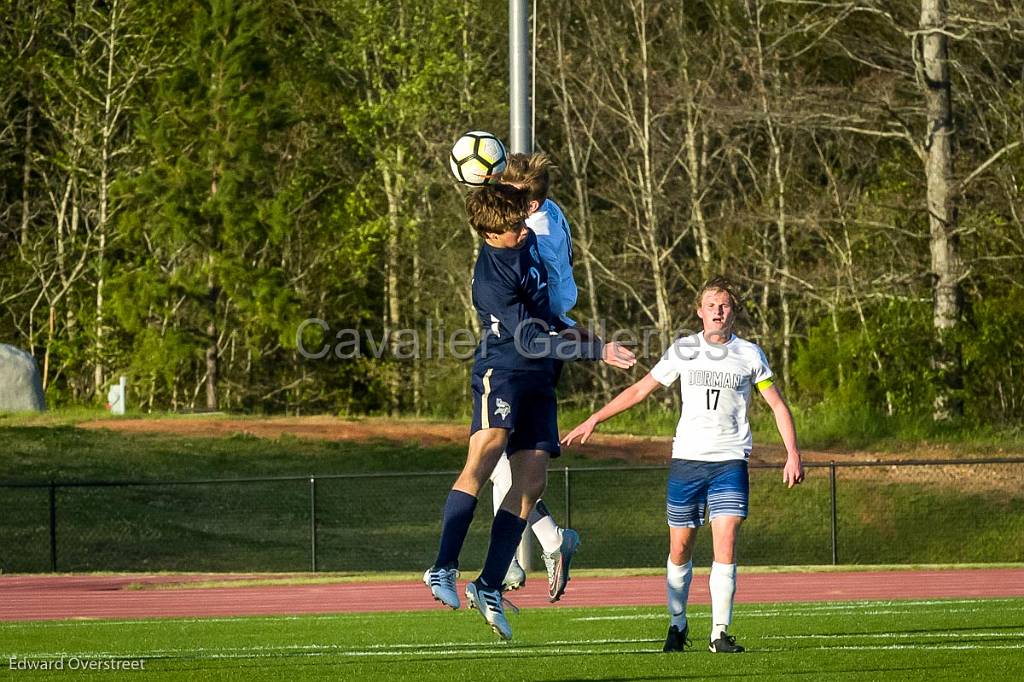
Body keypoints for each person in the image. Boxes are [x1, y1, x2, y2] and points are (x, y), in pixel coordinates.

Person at [423, 184, 635, 641]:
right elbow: (529, 339)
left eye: (522, 222)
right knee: (486, 453)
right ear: (487, 233)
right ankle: (442, 567)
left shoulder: (530, 242)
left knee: (531, 482)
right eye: (512, 227)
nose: (523, 232)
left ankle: (489, 584)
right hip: (502, 371)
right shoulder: (490, 277)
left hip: (541, 378)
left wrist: (597, 343)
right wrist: (594, 355)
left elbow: (550, 318)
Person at [562, 277, 804, 654]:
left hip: (729, 460)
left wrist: (792, 452)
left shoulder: (750, 355)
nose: (718, 312)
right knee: (681, 548)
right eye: (711, 305)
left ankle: (719, 632)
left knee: (726, 541)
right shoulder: (683, 349)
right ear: (699, 311)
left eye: (724, 305)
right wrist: (595, 418)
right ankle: (677, 624)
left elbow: (777, 404)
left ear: (733, 311)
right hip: (687, 461)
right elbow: (641, 389)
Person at [489, 153, 583, 602]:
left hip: (536, 345)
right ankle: (545, 544)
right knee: (502, 463)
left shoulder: (534, 234)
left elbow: (534, 295)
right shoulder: (551, 210)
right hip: (546, 338)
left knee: (506, 465)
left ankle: (510, 559)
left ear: (526, 206)